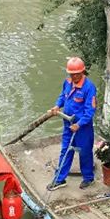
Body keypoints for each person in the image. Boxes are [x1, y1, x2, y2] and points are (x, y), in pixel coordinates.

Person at [46, 56, 97, 191]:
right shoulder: (67, 82)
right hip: (68, 124)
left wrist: (79, 124)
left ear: (82, 72)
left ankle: (88, 178)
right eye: (71, 74)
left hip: (82, 128)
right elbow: (63, 96)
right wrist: (57, 106)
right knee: (65, 150)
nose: (74, 77)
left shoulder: (89, 88)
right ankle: (59, 179)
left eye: (76, 74)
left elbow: (90, 111)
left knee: (84, 152)